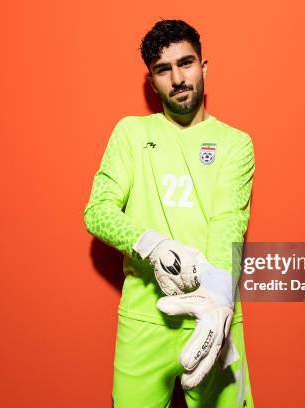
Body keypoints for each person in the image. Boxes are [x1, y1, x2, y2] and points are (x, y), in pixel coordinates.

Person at [84, 19, 255, 407]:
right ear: (152, 81)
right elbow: (98, 209)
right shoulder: (130, 133)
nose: (178, 78)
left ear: (204, 67)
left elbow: (228, 220)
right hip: (146, 316)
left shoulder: (235, 144)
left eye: (186, 63)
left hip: (215, 315)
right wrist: (151, 244)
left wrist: (218, 302)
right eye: (164, 69)